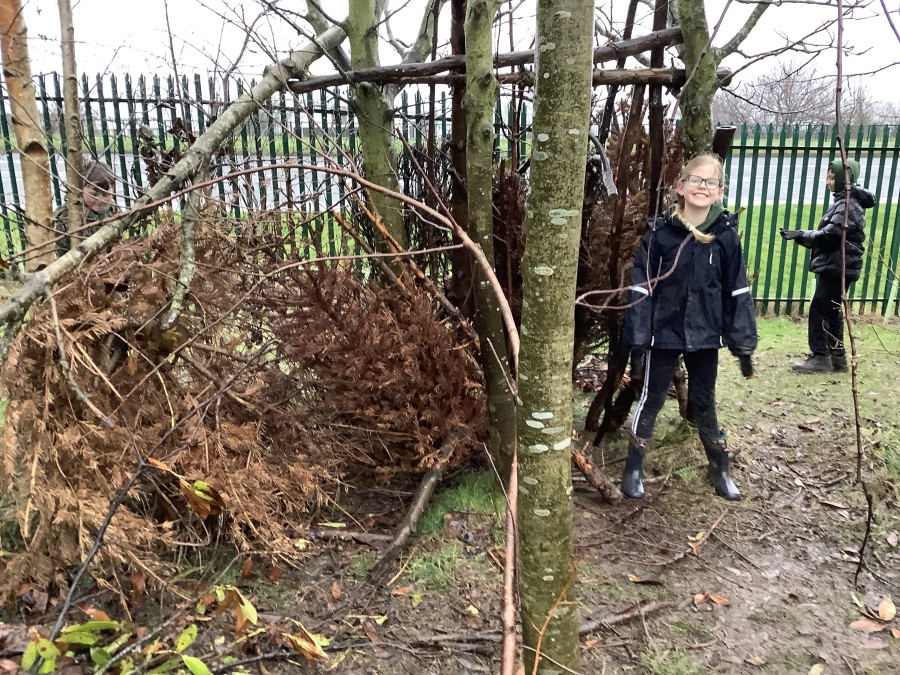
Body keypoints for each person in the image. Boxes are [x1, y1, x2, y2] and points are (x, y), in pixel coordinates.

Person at [620, 153, 758, 502]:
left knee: (704, 400)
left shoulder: (725, 237)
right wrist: (639, 339)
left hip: (705, 334)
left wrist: (743, 344)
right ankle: (633, 468)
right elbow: (640, 289)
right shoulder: (659, 234)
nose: (702, 187)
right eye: (695, 179)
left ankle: (719, 468)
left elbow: (737, 290)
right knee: (651, 398)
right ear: (680, 187)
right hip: (662, 333)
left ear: (719, 192)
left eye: (711, 182)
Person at [780, 158, 875, 373]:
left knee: (820, 311)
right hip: (838, 265)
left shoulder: (849, 205)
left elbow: (830, 236)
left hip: (838, 266)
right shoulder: (846, 202)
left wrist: (801, 235)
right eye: (828, 177)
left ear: (844, 179)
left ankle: (821, 357)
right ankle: (837, 358)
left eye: (832, 178)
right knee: (832, 311)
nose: (828, 182)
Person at [54, 160, 118, 257]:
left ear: (113, 189)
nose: (100, 200)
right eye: (94, 194)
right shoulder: (68, 214)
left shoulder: (113, 209)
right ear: (81, 189)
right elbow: (60, 252)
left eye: (105, 195)